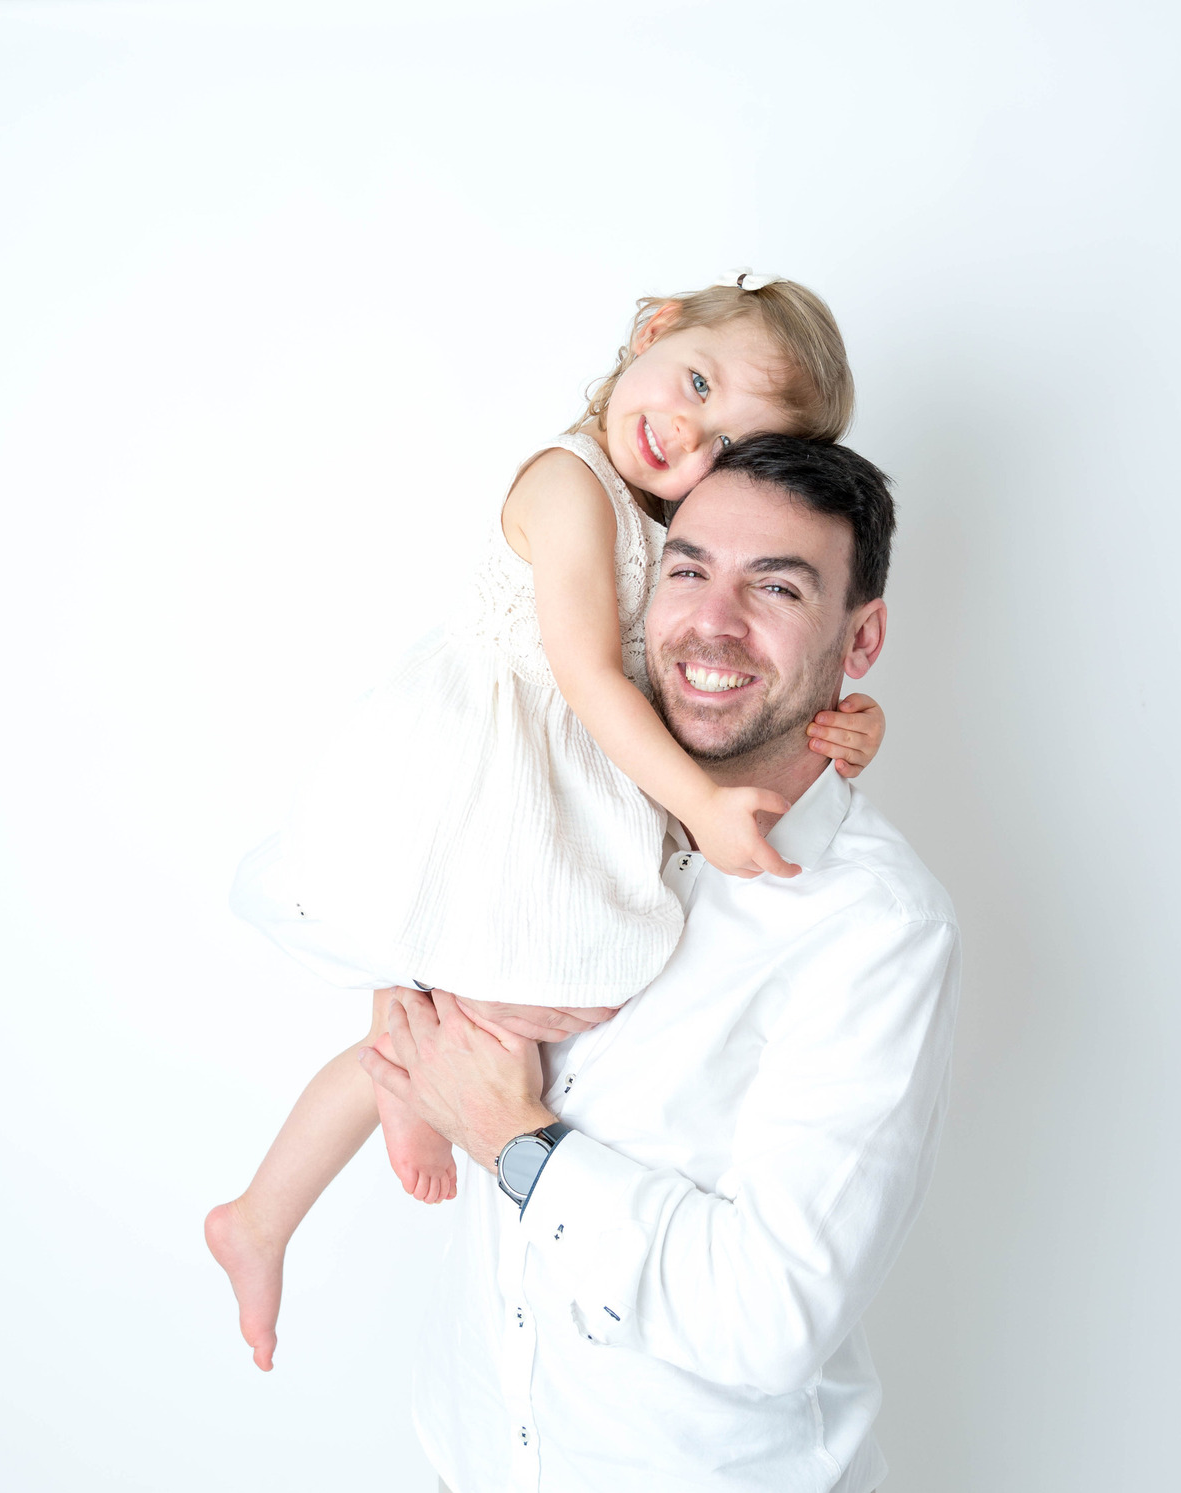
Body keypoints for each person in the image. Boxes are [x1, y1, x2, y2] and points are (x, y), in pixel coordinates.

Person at [205, 275, 889, 1372]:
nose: (689, 433)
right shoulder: (570, 483)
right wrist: (698, 803)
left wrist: (849, 721)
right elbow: (587, 672)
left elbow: (708, 682)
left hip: (540, 791)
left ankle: (269, 1206)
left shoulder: (662, 519)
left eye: (727, 440)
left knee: (522, 1003)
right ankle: (350, 1138)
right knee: (498, 998)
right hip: (476, 778)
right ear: (655, 329)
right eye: (695, 383)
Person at [360, 434, 961, 1493]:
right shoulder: (552, 795)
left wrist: (509, 1136)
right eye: (687, 570)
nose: (711, 622)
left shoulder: (877, 927)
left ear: (860, 637)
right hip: (472, 1455)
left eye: (775, 587)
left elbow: (769, 1318)